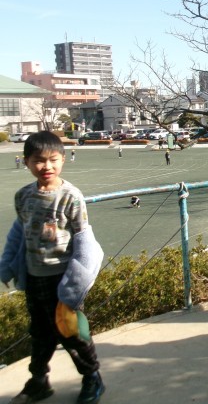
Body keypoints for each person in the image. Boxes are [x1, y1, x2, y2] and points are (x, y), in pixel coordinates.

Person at [0, 131, 105, 403]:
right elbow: (18, 233)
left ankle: (92, 377)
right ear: (26, 161)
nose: (46, 166)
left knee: (73, 333)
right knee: (40, 334)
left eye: (53, 159)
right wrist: (7, 265)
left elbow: (84, 241)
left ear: (63, 160)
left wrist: (74, 288)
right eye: (38, 160)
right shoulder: (23, 196)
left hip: (63, 280)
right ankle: (39, 381)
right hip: (34, 277)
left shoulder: (71, 196)